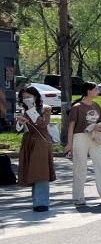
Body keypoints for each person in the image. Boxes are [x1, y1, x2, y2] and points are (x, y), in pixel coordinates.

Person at [66, 82, 101, 206]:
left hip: (94, 137)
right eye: (95, 89)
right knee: (80, 166)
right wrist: (69, 144)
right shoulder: (77, 107)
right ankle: (78, 197)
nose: (98, 91)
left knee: (100, 164)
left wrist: (100, 128)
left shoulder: (96, 105)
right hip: (80, 136)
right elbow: (71, 127)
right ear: (88, 91)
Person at [15, 84, 55, 212]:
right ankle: (37, 201)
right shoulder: (22, 110)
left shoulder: (45, 108)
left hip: (41, 142)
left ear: (36, 96)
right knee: (32, 171)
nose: (26, 99)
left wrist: (31, 109)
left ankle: (42, 202)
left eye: (29, 97)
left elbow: (43, 123)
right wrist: (20, 123)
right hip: (28, 142)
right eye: (24, 97)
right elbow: (17, 129)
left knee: (41, 171)